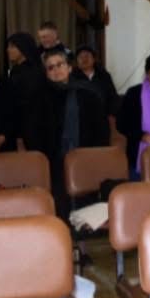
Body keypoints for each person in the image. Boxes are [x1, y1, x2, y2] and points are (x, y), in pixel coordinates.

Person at [42, 47, 110, 217]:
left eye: (60, 64)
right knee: (59, 207)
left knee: (86, 209)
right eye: (51, 67)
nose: (56, 70)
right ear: (46, 72)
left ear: (69, 67)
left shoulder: (88, 92)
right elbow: (34, 132)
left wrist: (94, 155)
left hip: (86, 158)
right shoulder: (39, 97)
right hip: (53, 161)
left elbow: (101, 129)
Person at [5, 32, 50, 153]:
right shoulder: (16, 70)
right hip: (20, 130)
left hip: (32, 133)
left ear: (23, 48)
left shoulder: (33, 72)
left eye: (12, 46)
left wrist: (20, 137)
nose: (8, 50)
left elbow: (26, 107)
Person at [72, 45, 120, 117]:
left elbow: (113, 97)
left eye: (87, 56)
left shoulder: (104, 76)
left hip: (102, 116)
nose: (84, 59)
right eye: (80, 57)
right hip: (79, 117)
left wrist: (112, 115)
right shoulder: (72, 77)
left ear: (94, 59)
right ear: (77, 61)